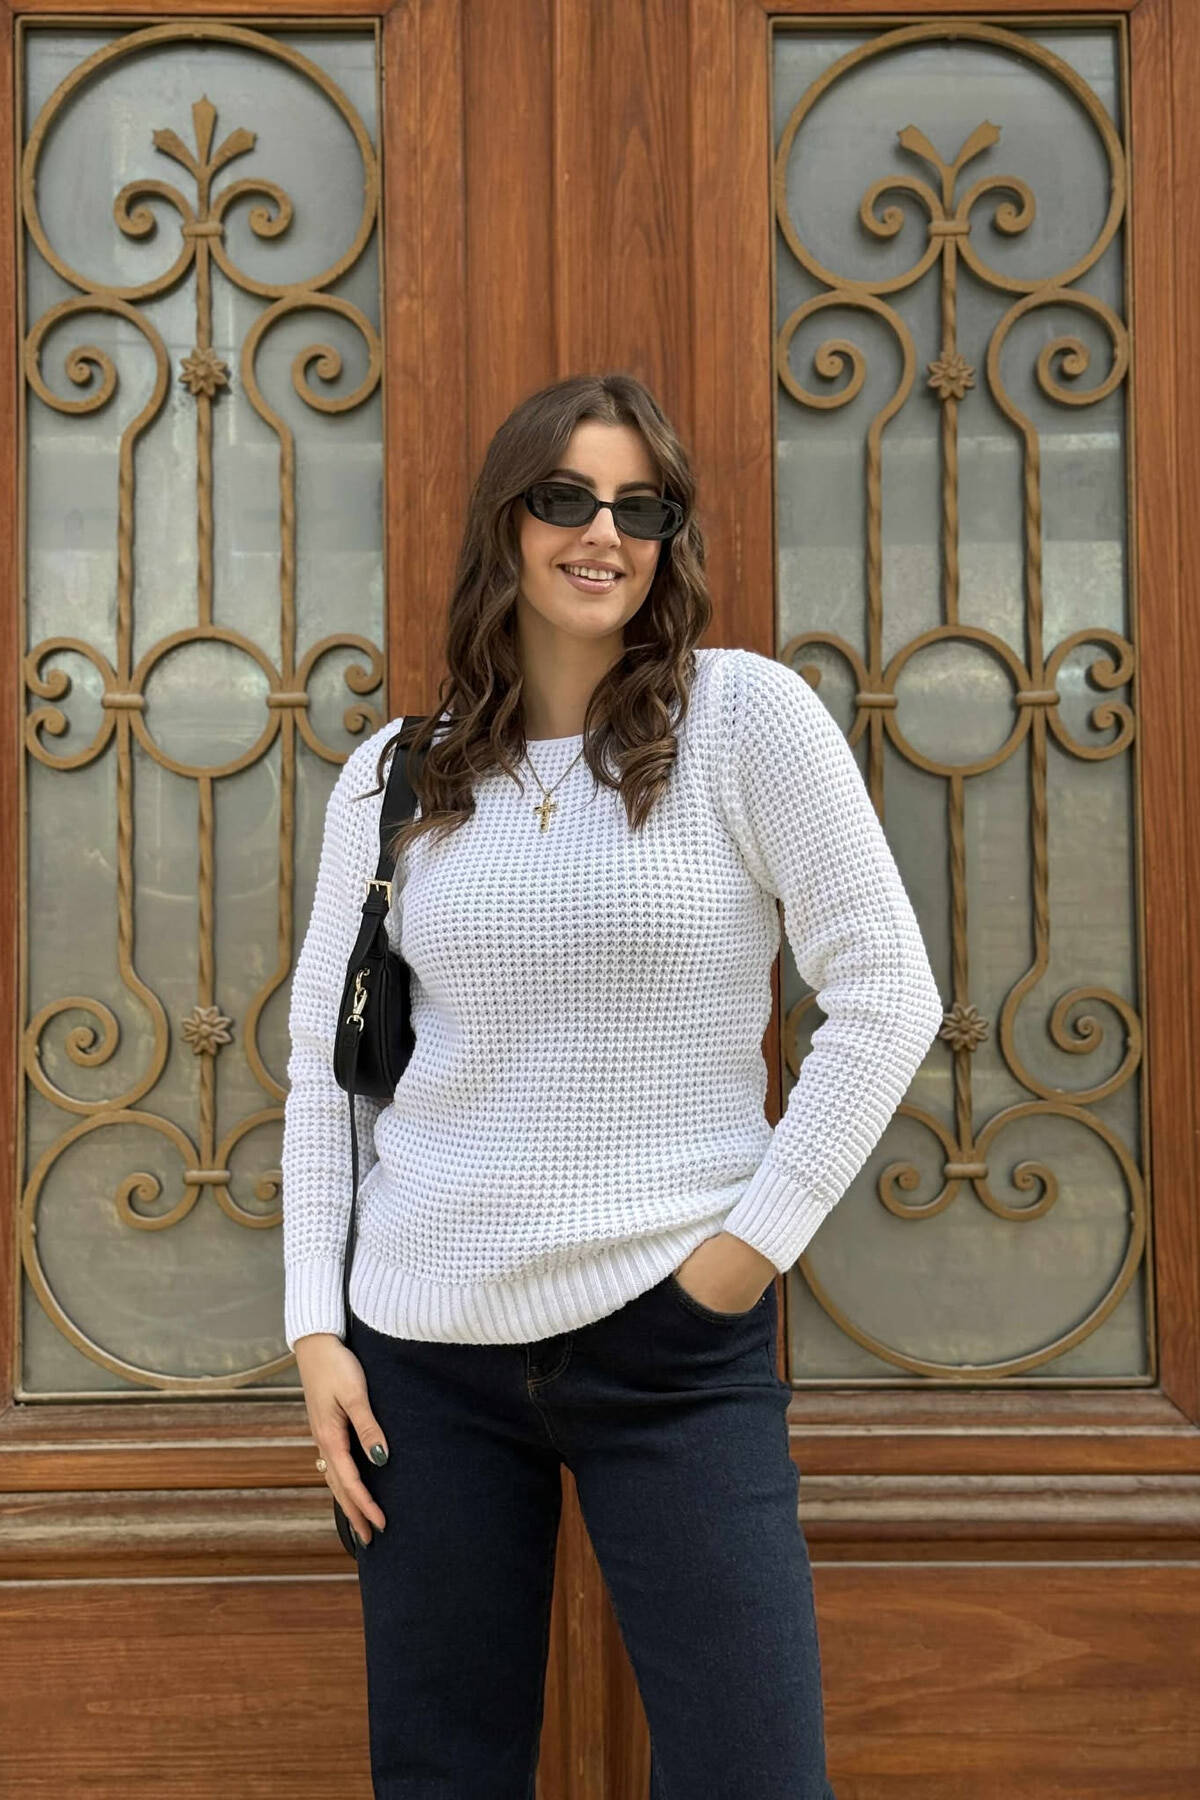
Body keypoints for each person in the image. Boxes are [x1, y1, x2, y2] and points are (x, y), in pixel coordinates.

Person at [281, 371, 943, 1799]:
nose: (604, 533)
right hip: (423, 1354)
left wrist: (738, 1260)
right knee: (445, 1777)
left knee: (755, 1773)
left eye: (641, 508)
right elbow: (330, 1076)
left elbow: (890, 992)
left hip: (674, 1346)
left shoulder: (745, 720)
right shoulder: (394, 776)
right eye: (566, 497)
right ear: (504, 522)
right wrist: (315, 1330)